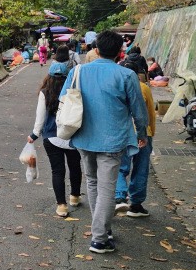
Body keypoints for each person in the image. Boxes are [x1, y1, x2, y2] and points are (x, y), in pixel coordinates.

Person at [60, 30, 149, 254]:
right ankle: (99, 238)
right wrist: (142, 134)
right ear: (121, 52)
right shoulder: (126, 75)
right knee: (107, 188)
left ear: (96, 49)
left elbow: (64, 98)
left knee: (92, 182)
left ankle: (104, 229)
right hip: (113, 138)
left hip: (83, 136)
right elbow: (138, 110)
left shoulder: (78, 71)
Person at [29, 63, 82, 217]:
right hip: (73, 135)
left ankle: (62, 206)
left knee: (57, 171)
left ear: (49, 76)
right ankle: (75, 197)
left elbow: (40, 117)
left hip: (52, 137)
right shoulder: (74, 91)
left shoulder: (45, 92)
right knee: (75, 167)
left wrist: (34, 134)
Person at [114, 55, 157, 217]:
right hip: (143, 134)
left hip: (122, 133)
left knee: (120, 166)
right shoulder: (144, 88)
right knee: (140, 169)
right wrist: (150, 133)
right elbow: (150, 114)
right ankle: (136, 205)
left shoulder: (116, 86)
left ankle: (119, 198)